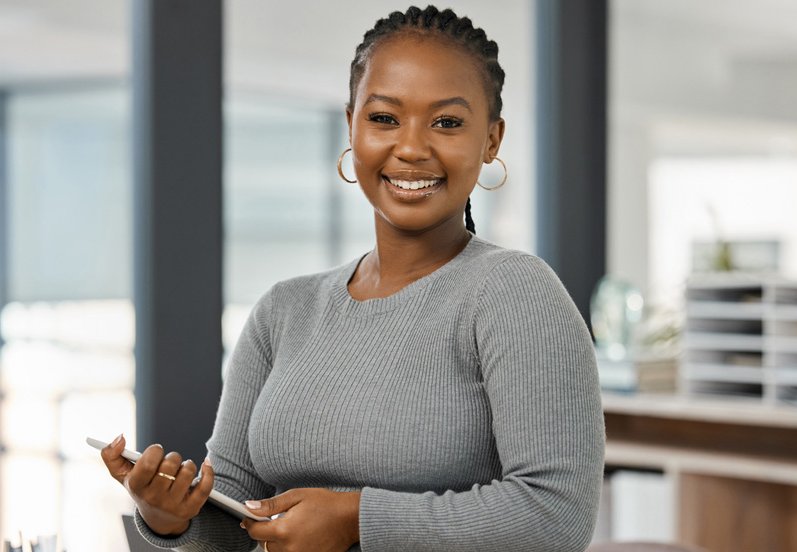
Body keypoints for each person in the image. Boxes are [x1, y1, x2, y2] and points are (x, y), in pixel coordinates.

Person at [100, 5, 604, 551]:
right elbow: (236, 524)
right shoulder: (283, 311)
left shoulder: (515, 293)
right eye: (384, 118)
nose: (411, 148)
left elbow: (556, 517)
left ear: (491, 140)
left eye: (447, 122)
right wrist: (168, 519)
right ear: (351, 125)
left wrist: (355, 520)